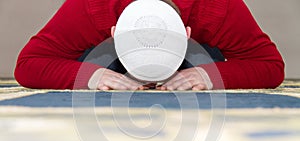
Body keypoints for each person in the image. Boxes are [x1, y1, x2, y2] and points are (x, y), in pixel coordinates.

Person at [14, 0, 285, 90]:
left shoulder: (215, 7)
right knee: (94, 63)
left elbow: (271, 66)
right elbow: (28, 65)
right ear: (114, 30)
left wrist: (207, 76)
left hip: (191, 59)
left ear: (187, 32)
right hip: (111, 59)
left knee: (205, 61)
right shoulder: (92, 6)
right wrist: (92, 76)